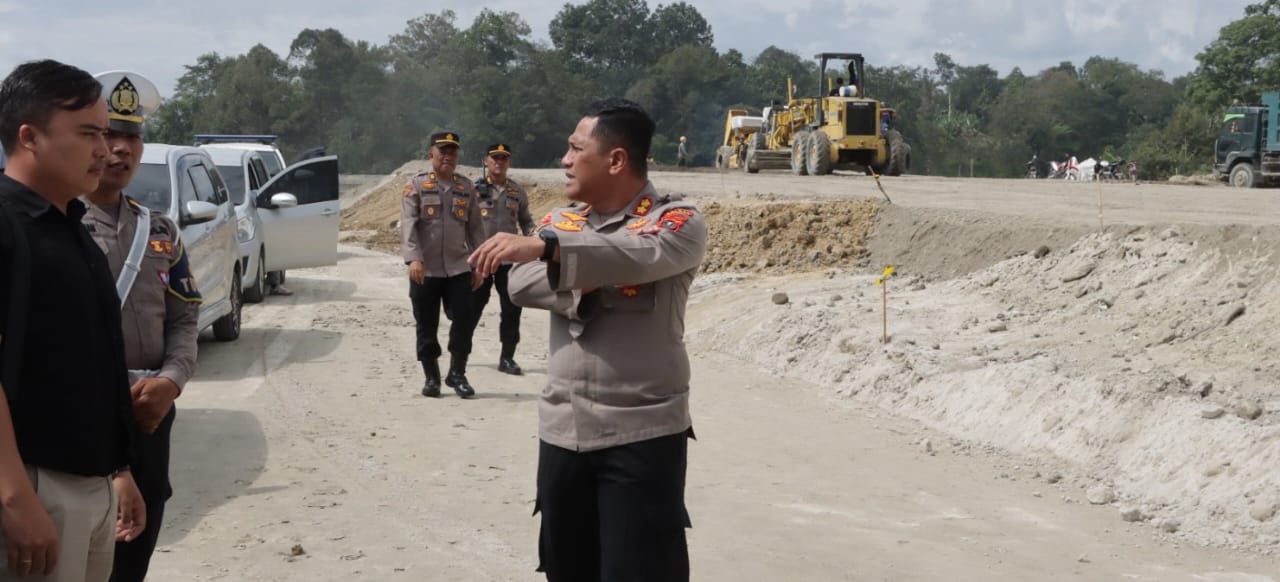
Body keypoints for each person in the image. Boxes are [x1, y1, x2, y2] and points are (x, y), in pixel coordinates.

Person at [469, 98, 707, 582]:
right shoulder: (564, 221)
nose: (564, 159)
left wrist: (551, 254)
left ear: (616, 159)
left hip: (641, 434)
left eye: (576, 148)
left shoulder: (677, 220)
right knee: (567, 567)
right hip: (563, 430)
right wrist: (583, 271)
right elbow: (520, 284)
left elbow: (645, 253)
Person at [0, 59, 145, 582]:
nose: (105, 151)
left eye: (105, 134)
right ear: (29, 136)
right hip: (35, 487)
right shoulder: (8, 227)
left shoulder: (70, 225)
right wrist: (16, 498)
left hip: (91, 485)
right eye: (88, 134)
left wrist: (119, 469)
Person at [80, 71, 202, 582]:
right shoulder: (59, 226)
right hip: (84, 411)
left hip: (152, 410)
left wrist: (172, 380)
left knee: (140, 538)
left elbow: (184, 318)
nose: (120, 149)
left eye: (130, 136)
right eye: (107, 134)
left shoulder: (160, 231)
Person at [401, 131, 486, 399]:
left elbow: (475, 229)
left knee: (464, 319)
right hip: (425, 269)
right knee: (426, 323)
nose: (448, 157)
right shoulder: (416, 186)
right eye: (443, 151)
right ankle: (431, 377)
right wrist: (414, 257)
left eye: (453, 152)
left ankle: (457, 374)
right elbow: (408, 226)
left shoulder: (466, 188)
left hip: (459, 268)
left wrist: (480, 264)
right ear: (431, 155)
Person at [472, 143, 535, 375]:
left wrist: (532, 234)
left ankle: (507, 357)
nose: (499, 162)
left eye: (504, 158)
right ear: (486, 161)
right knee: (472, 308)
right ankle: (461, 352)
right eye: (495, 158)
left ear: (509, 162)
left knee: (511, 307)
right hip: (481, 259)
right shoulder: (473, 190)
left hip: (508, 261)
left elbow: (526, 220)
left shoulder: (516, 192)